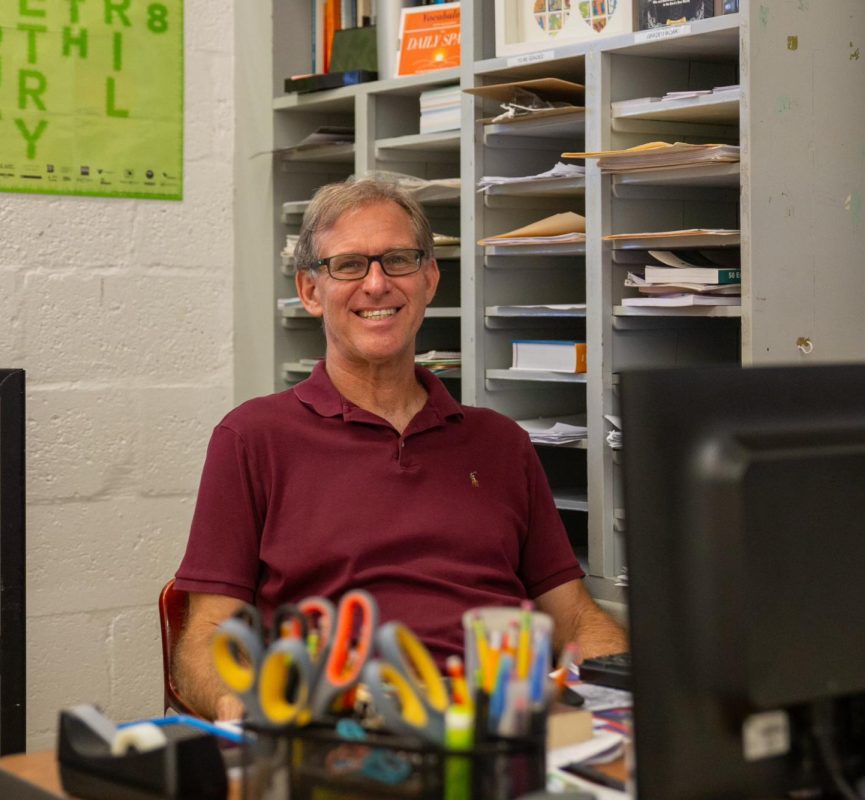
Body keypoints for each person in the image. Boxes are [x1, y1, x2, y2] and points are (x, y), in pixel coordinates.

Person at [173, 179, 627, 721]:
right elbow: (208, 632)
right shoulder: (252, 439)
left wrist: (619, 705)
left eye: (398, 260)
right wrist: (242, 709)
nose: (376, 283)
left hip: (502, 724)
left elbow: (574, 617)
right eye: (347, 265)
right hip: (346, 731)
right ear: (311, 291)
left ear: (430, 279)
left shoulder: (502, 443)